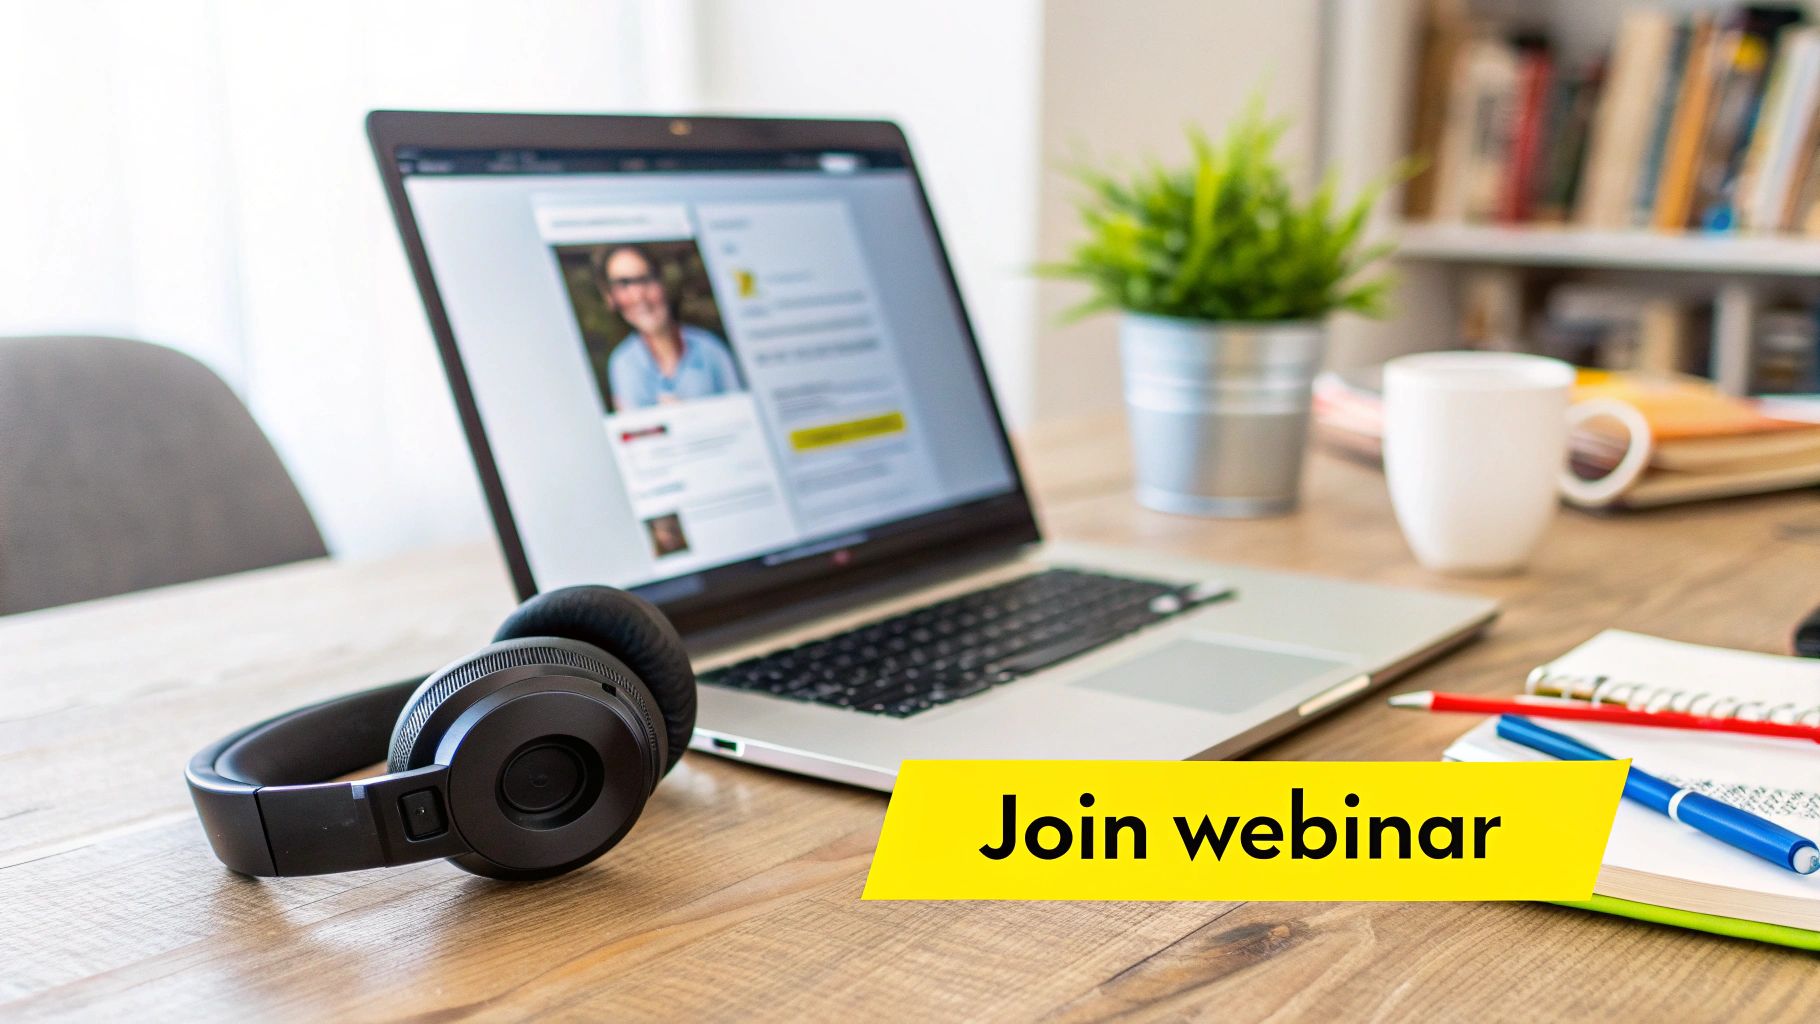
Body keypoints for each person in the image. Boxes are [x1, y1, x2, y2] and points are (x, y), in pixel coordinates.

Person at [592, 245, 742, 410]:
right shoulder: (623, 363)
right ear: (610, 298)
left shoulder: (712, 350)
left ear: (662, 282)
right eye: (624, 284)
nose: (638, 296)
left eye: (645, 279)